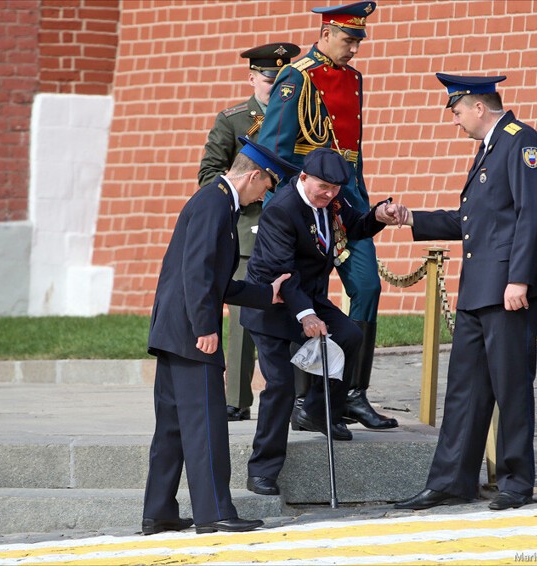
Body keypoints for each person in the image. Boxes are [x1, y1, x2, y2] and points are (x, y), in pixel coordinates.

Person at [395, 74, 537, 512]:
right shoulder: (491, 147)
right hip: (480, 287)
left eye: (456, 112)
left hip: (508, 286)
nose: (454, 122)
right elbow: (474, 221)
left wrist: (520, 279)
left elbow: (534, 214)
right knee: (466, 387)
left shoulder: (521, 142)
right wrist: (410, 218)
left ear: (478, 107)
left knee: (510, 385)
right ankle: (452, 480)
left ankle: (515, 481)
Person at [142, 139, 297, 535]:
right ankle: (214, 513)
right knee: (206, 424)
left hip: (174, 331)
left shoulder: (216, 202)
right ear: (252, 175)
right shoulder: (215, 204)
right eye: (267, 185)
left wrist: (266, 294)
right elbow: (197, 271)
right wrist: (206, 328)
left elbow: (215, 280)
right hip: (192, 334)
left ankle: (158, 511)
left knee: (174, 427)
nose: (266, 194)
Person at [257, 1, 399, 431]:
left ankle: (353, 393)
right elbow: (276, 149)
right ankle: (308, 402)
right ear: (325, 34)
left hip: (348, 200)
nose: (354, 48)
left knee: (368, 287)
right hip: (305, 201)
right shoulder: (296, 77)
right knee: (303, 296)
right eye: (347, 39)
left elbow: (352, 156)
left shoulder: (353, 79)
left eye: (358, 41)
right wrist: (282, 213)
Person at [240, 148, 408, 496]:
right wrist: (307, 315)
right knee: (281, 386)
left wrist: (378, 214)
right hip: (271, 302)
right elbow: (282, 273)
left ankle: (315, 411)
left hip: (309, 295)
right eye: (323, 187)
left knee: (349, 335)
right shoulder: (281, 211)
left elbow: (355, 226)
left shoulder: (332, 201)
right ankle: (262, 470)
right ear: (304, 178)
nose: (329, 194)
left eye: (334, 188)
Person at [197, 42, 301, 422]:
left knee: (294, 310)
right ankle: (237, 398)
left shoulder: (300, 116)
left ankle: (296, 399)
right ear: (253, 77)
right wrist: (255, 195)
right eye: (268, 80)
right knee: (243, 319)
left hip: (290, 233)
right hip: (248, 229)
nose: (273, 88)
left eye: (280, 81)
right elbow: (209, 177)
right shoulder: (234, 119)